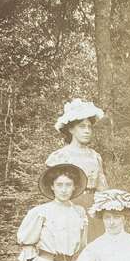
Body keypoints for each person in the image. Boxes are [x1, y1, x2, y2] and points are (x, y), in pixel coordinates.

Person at [6, 163, 89, 261]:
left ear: (74, 187)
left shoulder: (79, 212)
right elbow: (27, 241)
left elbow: (83, 244)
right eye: (59, 185)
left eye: (68, 185)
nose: (64, 190)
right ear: (52, 186)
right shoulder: (41, 211)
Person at [47, 98, 108, 242]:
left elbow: (103, 187)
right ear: (71, 129)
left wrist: (106, 207)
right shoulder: (60, 156)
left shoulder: (95, 156)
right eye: (82, 126)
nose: (87, 131)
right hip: (69, 206)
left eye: (89, 127)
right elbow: (52, 190)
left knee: (95, 245)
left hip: (94, 206)